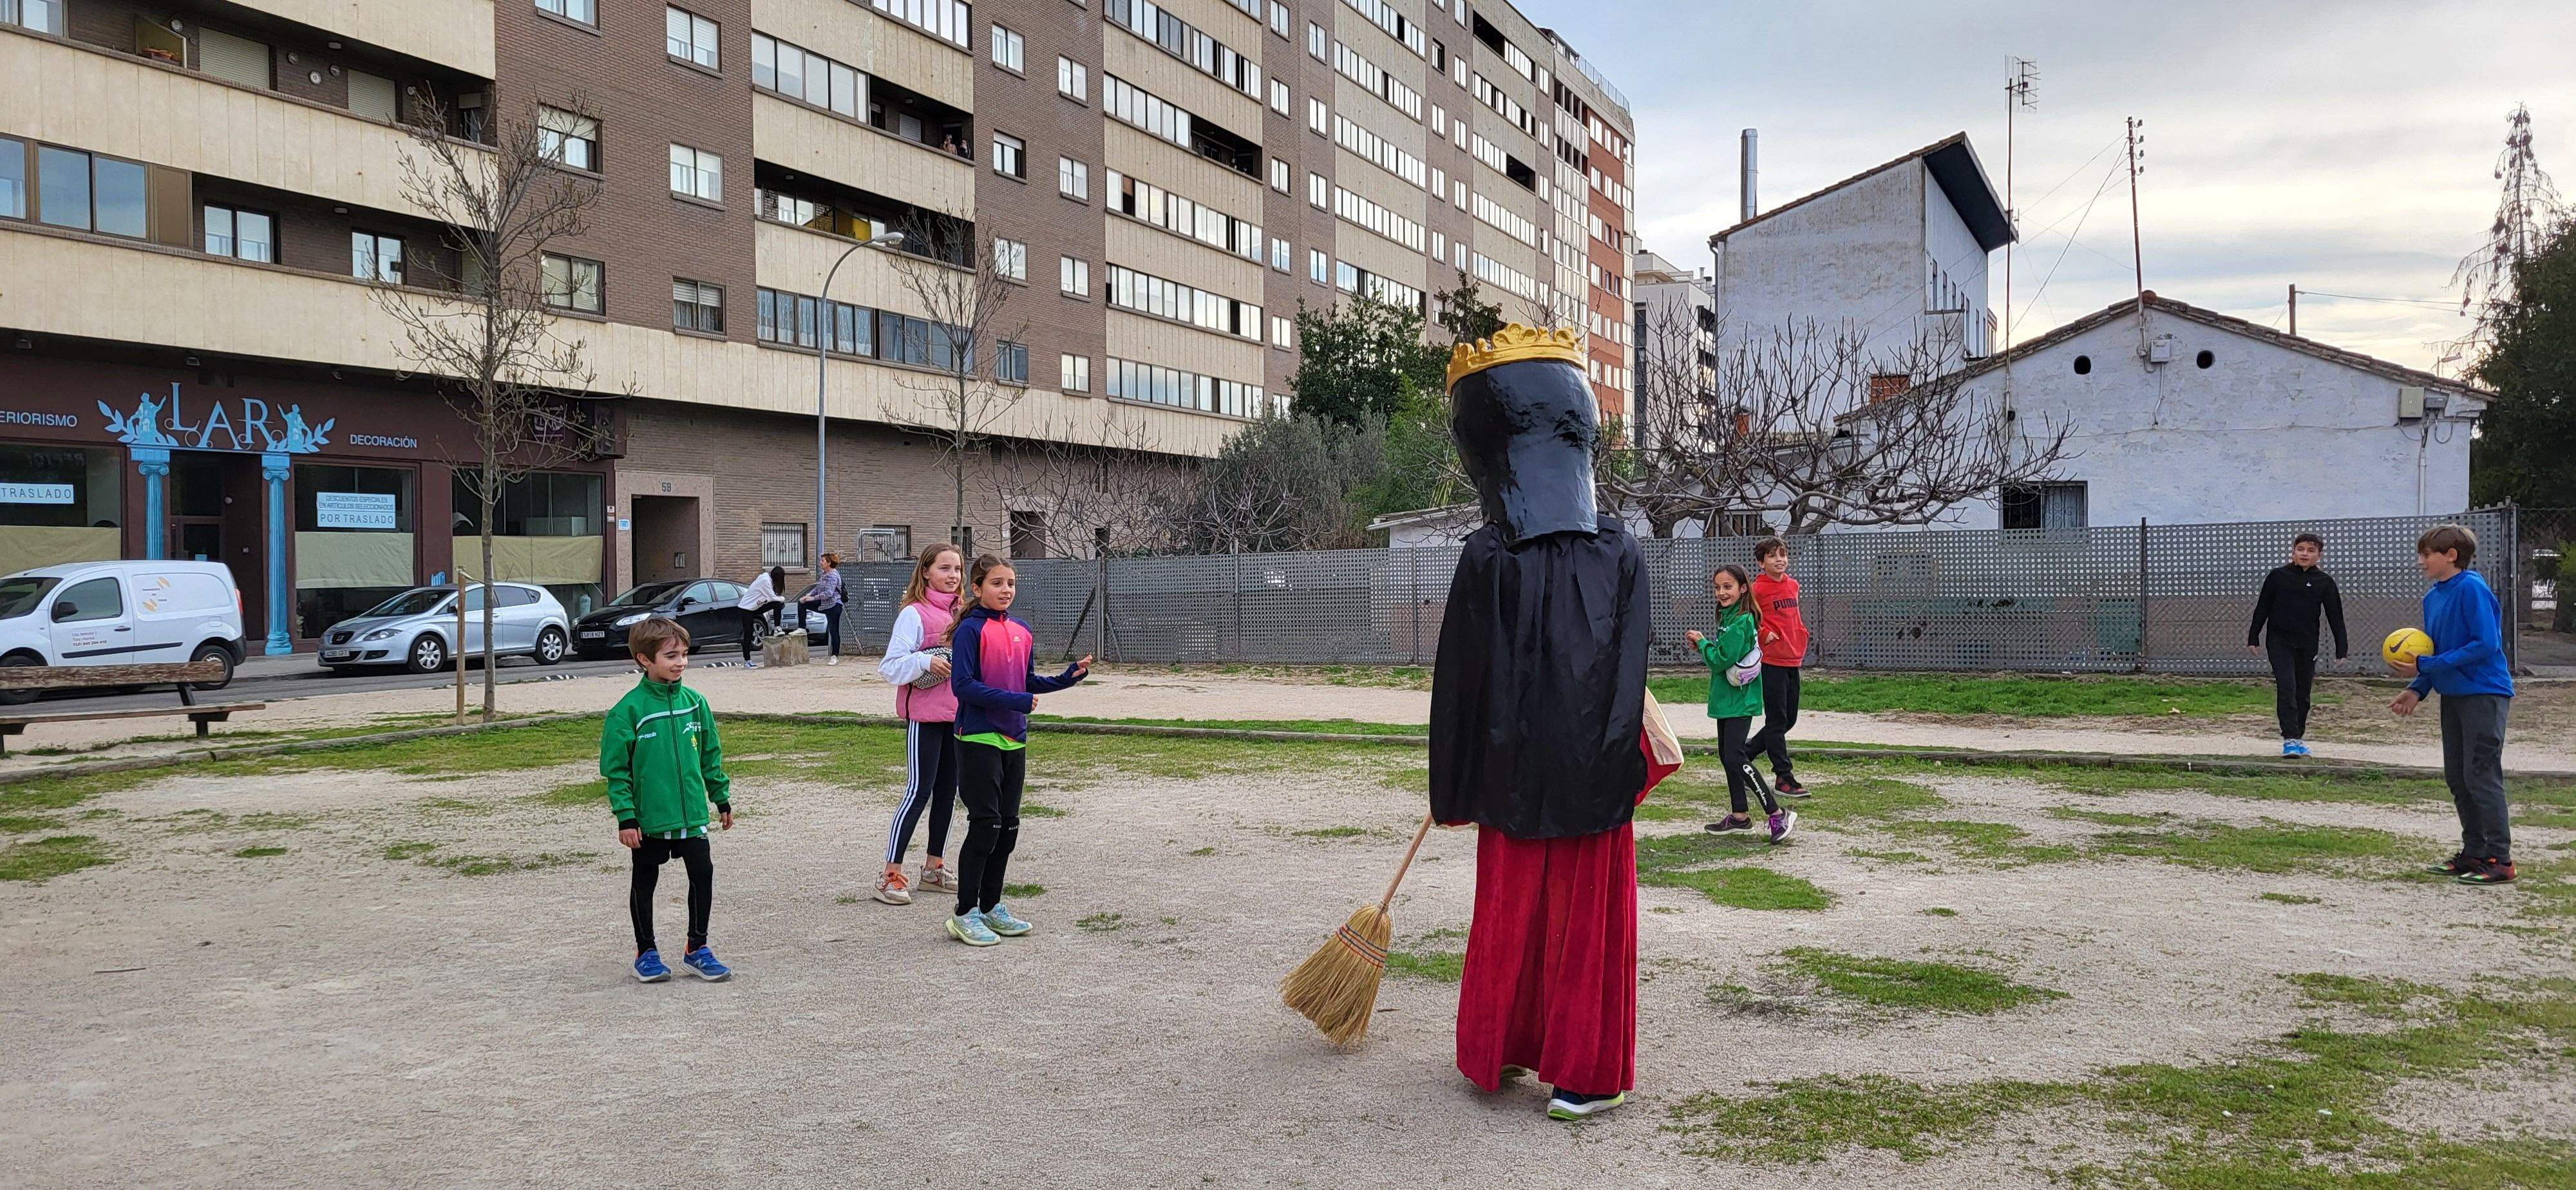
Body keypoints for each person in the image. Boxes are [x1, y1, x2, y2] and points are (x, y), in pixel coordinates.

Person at [1430, 323, 1663, 1122]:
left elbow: (1460, 684)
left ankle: (1497, 1047)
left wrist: (1457, 781)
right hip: (1593, 773)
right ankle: (1583, 1072)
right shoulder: (1619, 550)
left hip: (1510, 774)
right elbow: (1627, 671)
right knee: (1584, 921)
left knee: (1511, 911)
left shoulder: (1487, 554)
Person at [945, 554, 1091, 946]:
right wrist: (1017, 701)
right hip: (977, 737)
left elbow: (1026, 681)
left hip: (1015, 737)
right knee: (985, 824)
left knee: (1008, 826)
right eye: (996, 583)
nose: (1005, 590)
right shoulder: (969, 630)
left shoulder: (1022, 630)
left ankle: (992, 907)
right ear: (977, 588)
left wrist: (1066, 678)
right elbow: (963, 686)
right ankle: (965, 913)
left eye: (1010, 583)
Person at [600, 616, 734, 983]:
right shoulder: (628, 711)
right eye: (671, 656)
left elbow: (710, 755)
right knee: (645, 882)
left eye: (685, 655)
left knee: (703, 875)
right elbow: (617, 771)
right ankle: (646, 952)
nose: (681, 663)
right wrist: (626, 818)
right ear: (645, 659)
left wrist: (720, 799)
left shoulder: (695, 703)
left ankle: (697, 948)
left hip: (692, 816)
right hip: (649, 820)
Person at [2389, 524, 2516, 885]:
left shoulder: (2471, 588)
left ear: (2451, 556)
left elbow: (2485, 645)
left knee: (2481, 775)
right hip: (2454, 696)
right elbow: (2436, 652)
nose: (2421, 561)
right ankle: (2474, 853)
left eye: (2427, 554)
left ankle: (2501, 859)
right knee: (2458, 777)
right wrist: (2417, 688)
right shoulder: (2433, 597)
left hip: (2484, 693)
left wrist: (2425, 666)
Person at [875, 543, 966, 906]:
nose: (953, 575)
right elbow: (890, 667)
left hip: (957, 718)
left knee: (948, 792)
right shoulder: (914, 614)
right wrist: (925, 662)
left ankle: (933, 868)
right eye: (945, 568)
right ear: (926, 572)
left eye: (957, 569)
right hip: (925, 720)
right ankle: (889, 875)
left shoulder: (964, 613)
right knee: (918, 791)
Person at [1692, 565, 1795, 844]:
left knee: (1737, 757)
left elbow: (1720, 659)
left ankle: (1777, 814)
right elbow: (1724, 653)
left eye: (1728, 587)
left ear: (1743, 589)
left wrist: (1703, 643)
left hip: (1739, 701)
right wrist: (1706, 646)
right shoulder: (1728, 618)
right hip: (1726, 700)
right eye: (1717, 587)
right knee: (1728, 756)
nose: (1721, 592)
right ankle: (1740, 816)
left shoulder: (1742, 622)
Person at [2247, 532, 2349, 757]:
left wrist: (2341, 648)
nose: (2305, 554)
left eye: (2311, 551)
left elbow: (2335, 616)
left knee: (2303, 693)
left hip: (2307, 644)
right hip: (2279, 642)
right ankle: (2290, 739)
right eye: (2301, 549)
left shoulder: (2324, 582)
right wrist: (2253, 636)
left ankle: (2298, 736)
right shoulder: (2278, 577)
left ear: (2319, 556)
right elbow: (2262, 607)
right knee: (2287, 686)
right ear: (2293, 552)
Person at [1743, 536, 1813, 797]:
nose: (1779, 560)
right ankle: (1784, 778)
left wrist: (1801, 633)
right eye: (1772, 556)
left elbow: (1793, 617)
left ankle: (1744, 756)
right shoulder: (1757, 589)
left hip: (1792, 658)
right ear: (1761, 563)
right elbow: (1747, 617)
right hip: (1771, 661)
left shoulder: (1793, 585)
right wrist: (1763, 633)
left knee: (1788, 719)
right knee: (1777, 720)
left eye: (1782, 554)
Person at [801, 552, 848, 665]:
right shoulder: (824, 574)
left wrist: (813, 598)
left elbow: (828, 594)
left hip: (834, 605)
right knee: (802, 603)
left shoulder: (833, 575)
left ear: (829, 563)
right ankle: (801, 628)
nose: (821, 563)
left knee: (833, 630)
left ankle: (835, 656)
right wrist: (808, 595)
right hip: (824, 604)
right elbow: (818, 588)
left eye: (823, 561)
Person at [737, 565, 786, 666]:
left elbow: (769, 598)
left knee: (777, 605)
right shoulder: (766, 581)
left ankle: (777, 628)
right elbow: (773, 597)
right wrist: (783, 598)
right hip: (746, 609)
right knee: (749, 634)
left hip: (755, 607)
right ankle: (747, 661)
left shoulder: (766, 578)